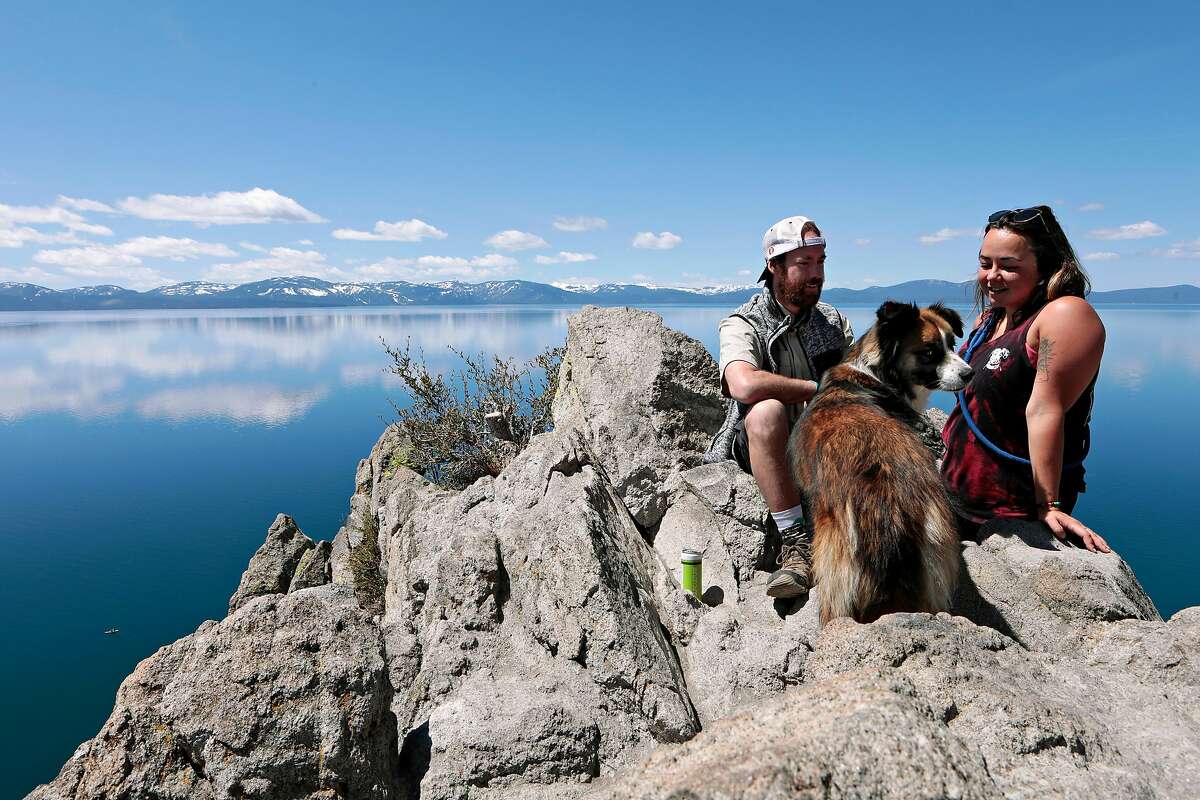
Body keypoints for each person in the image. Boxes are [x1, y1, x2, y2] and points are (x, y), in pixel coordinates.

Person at [941, 205, 1111, 553]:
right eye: (985, 263)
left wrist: (1049, 505)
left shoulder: (1064, 316)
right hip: (958, 494)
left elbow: (1045, 409)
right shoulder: (990, 320)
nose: (991, 276)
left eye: (1008, 266)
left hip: (1013, 511)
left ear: (1046, 267)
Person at [705, 215, 854, 597]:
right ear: (773, 266)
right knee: (765, 409)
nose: (816, 273)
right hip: (761, 445)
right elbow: (741, 383)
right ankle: (795, 541)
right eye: (804, 263)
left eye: (820, 262)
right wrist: (814, 387)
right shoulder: (745, 323)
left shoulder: (833, 322)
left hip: (820, 445)